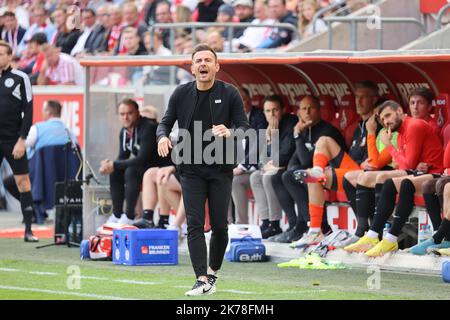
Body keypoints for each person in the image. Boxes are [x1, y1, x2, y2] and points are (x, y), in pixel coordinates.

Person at [156, 44, 250, 296]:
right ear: (192, 67)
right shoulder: (181, 93)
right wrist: (162, 137)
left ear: (217, 66)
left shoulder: (229, 93)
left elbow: (244, 127)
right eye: (198, 60)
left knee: (220, 226)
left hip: (220, 168)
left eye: (208, 60)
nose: (203, 64)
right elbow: (164, 123)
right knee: (195, 224)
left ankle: (212, 273)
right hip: (190, 169)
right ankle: (200, 278)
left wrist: (231, 132)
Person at [344, 100, 443, 256]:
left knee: (388, 180)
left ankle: (380, 235)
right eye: (382, 120)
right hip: (418, 172)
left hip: (434, 173)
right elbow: (403, 164)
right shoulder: (400, 132)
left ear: (399, 112)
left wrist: (388, 145)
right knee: (368, 177)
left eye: (388, 115)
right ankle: (371, 233)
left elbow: (406, 165)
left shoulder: (413, 126)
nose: (386, 122)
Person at [293, 80, 380, 248]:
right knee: (312, 174)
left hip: (365, 177)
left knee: (321, 150)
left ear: (374, 100)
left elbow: (378, 158)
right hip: (350, 172)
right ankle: (315, 231)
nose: (358, 102)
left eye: (364, 97)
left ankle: (315, 229)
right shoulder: (359, 126)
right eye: (357, 97)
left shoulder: (376, 124)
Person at [270, 95, 346, 243]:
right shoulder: (305, 129)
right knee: (278, 177)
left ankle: (312, 225)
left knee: (295, 176)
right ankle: (296, 225)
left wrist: (297, 135)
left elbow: (306, 161)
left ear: (319, 110)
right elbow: (294, 161)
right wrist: (299, 135)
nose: (307, 112)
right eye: (304, 109)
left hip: (333, 173)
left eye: (311, 108)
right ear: (299, 112)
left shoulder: (326, 130)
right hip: (314, 173)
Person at [3, 100, 78, 223]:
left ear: (48, 112)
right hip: (65, 178)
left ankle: (32, 209)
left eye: (43, 110)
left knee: (10, 182)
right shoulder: (70, 132)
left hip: (39, 176)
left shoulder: (37, 128)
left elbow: (21, 145)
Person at [100, 98, 159, 225]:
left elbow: (142, 158)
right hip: (144, 167)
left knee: (131, 171)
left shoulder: (148, 127)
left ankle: (129, 216)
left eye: (129, 113)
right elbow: (122, 157)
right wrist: (109, 166)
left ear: (138, 113)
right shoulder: (124, 132)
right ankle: (117, 215)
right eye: (122, 114)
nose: (125, 117)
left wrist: (114, 164)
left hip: (160, 166)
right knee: (115, 172)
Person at [0, 41, 37, 242]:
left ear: (9, 56)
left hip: (13, 139)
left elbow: (29, 110)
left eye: (0, 54)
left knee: (22, 181)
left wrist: (22, 140)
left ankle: (29, 230)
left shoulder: (20, 78)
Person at [250, 94, 297, 238]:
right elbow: (260, 159)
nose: (272, 115)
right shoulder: (266, 126)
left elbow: (285, 154)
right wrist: (270, 137)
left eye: (275, 110)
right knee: (255, 176)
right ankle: (265, 222)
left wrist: (274, 135)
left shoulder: (291, 122)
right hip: (274, 168)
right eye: (268, 111)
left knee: (267, 177)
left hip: (287, 168)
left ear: (282, 110)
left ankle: (275, 224)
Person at [231, 87, 267, 225]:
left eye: (244, 100)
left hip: (256, 166)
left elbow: (260, 142)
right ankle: (226, 223)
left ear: (250, 101)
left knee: (234, 180)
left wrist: (242, 166)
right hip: (241, 168)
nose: (242, 104)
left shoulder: (259, 116)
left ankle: (241, 224)